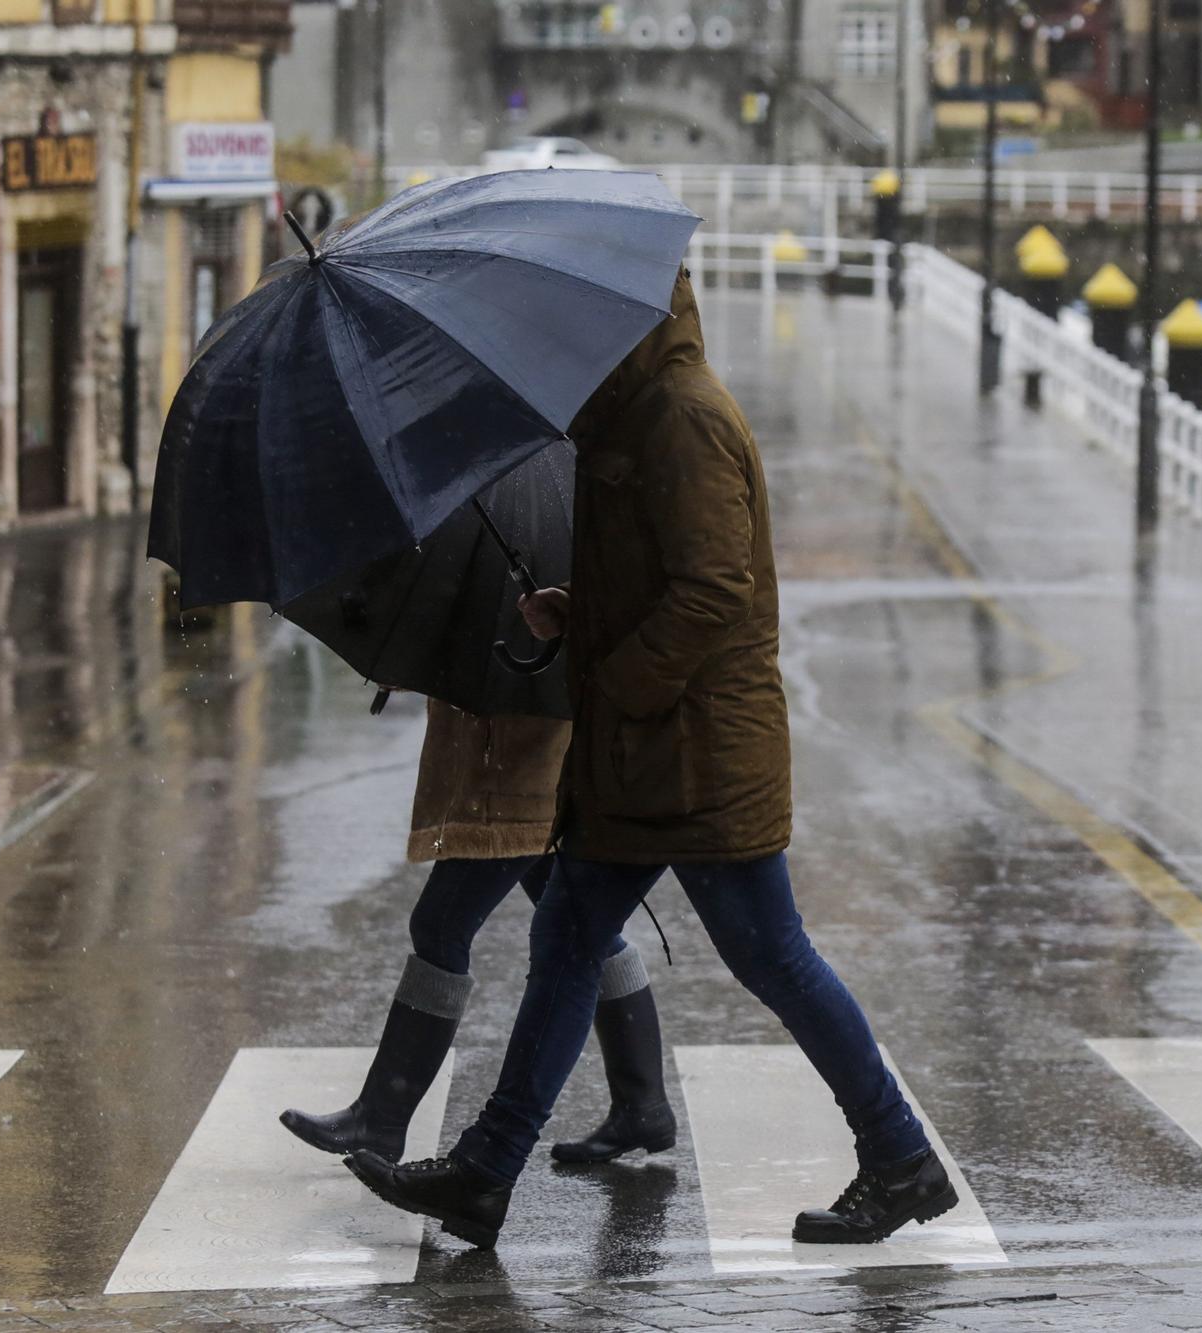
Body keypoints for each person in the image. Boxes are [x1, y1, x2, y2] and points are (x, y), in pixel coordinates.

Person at [343, 270, 956, 1249]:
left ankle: (899, 1158)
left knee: (773, 956)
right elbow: (657, 577)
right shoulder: (628, 414)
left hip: (697, 753)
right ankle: (485, 1172)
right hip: (644, 756)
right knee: (570, 942)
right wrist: (574, 612)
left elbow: (713, 589)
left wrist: (617, 683)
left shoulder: (680, 418)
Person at [280, 698, 672, 1165]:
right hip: (526, 759)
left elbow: (527, 658)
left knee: (441, 924)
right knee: (585, 926)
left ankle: (381, 1117)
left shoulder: (524, 631)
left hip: (515, 767)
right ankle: (642, 1105)